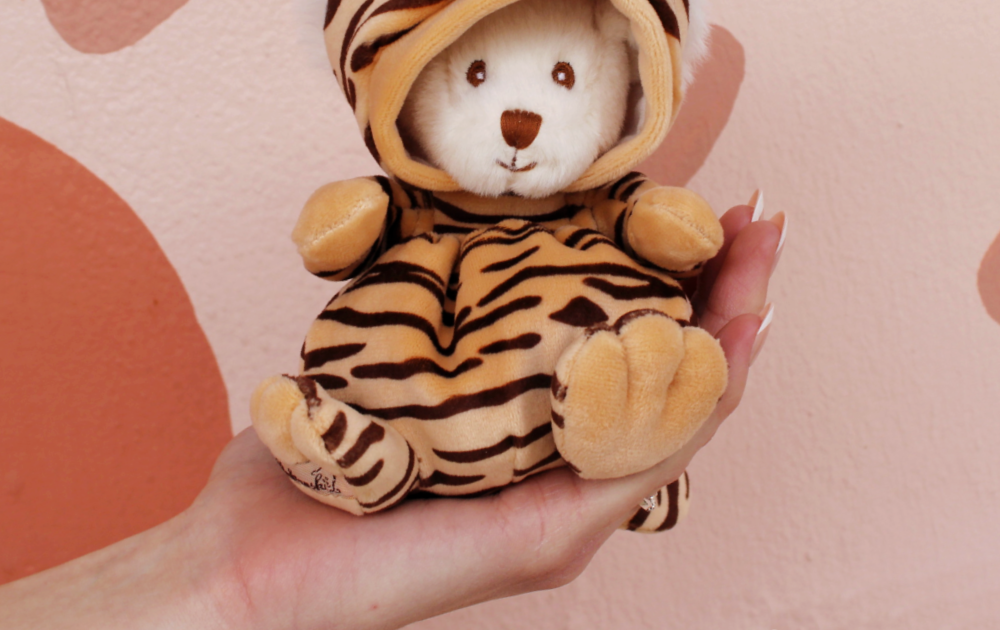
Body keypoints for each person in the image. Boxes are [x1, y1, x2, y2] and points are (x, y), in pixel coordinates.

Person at [0, 203, 782, 630]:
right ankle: (364, 458)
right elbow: (332, 237)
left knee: (627, 349)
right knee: (376, 355)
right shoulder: (409, 209)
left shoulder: (599, 205)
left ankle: (619, 424)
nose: (518, 123)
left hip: (566, 364)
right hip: (418, 355)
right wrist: (221, 584)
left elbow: (672, 229)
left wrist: (658, 221)